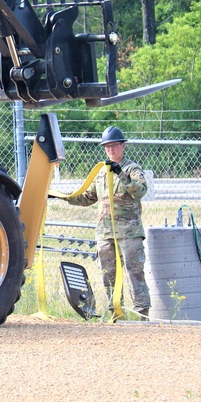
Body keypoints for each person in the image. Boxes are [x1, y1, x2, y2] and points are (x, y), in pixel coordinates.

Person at [66, 126, 150, 319]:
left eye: (114, 146)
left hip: (128, 231)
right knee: (108, 274)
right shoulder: (102, 172)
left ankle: (142, 313)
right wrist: (66, 197)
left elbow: (140, 191)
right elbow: (88, 197)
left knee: (134, 271)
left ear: (122, 146)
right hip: (105, 232)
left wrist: (121, 174)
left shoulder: (132, 169)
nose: (111, 150)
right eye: (107, 146)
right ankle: (116, 312)